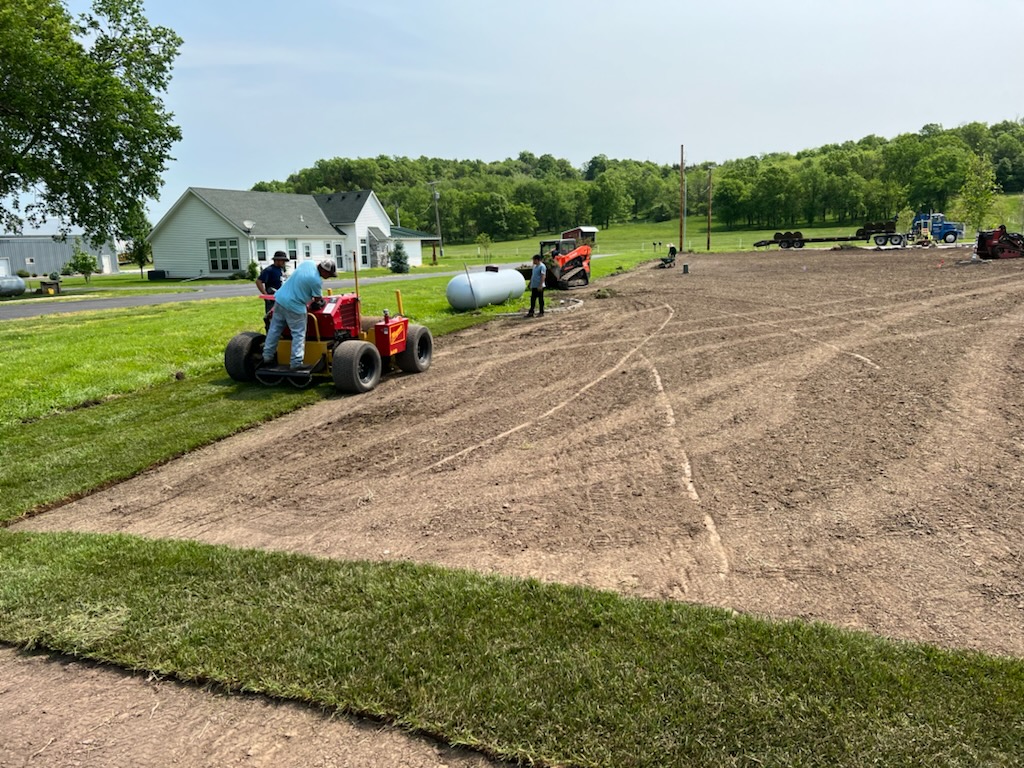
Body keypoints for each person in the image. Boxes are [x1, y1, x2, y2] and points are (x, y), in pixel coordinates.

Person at [261, 259, 337, 370]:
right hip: (295, 307)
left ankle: (267, 357)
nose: (328, 277)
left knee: (274, 330)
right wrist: (319, 302)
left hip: (280, 300)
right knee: (298, 334)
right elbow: (317, 299)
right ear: (324, 271)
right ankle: (296, 362)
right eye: (329, 275)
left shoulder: (308, 263)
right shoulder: (316, 281)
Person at [526, 253, 546, 318]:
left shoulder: (542, 266)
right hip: (534, 285)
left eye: (534, 260)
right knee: (533, 299)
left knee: (540, 299)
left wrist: (540, 285)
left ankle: (541, 312)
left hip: (539, 286)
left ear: (537, 260)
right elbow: (533, 276)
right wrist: (530, 283)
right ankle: (531, 312)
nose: (533, 261)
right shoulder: (535, 267)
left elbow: (543, 276)